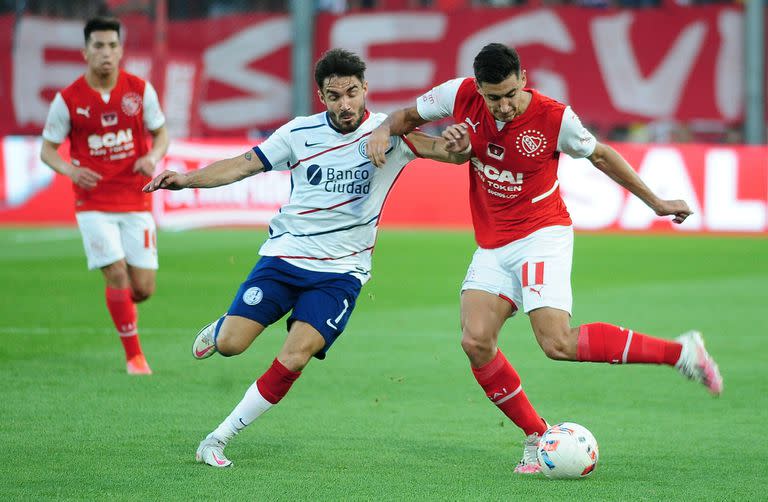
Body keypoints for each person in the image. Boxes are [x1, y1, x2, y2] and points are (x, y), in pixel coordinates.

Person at [366, 43, 723, 474]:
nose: (504, 105)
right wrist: (384, 129)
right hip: (494, 244)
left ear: (524, 79)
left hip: (542, 234)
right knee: (475, 341)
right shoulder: (457, 95)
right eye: (493, 97)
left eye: (511, 93)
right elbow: (405, 119)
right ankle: (537, 437)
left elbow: (603, 156)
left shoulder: (555, 118)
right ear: (478, 88)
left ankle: (681, 353)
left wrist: (657, 203)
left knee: (557, 342)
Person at [143, 48, 470, 468]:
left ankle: (218, 439)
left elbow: (450, 153)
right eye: (335, 96)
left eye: (352, 93)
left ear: (365, 88)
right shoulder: (299, 133)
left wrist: (461, 145)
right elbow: (244, 166)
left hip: (340, 273)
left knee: (294, 355)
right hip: (284, 259)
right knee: (230, 345)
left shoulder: (391, 134)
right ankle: (223, 327)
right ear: (321, 96)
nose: (345, 104)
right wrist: (186, 179)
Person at [40, 17, 168, 375]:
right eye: (98, 46)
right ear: (85, 52)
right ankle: (135, 358)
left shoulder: (140, 91)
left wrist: (152, 157)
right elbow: (47, 150)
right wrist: (69, 170)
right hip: (92, 202)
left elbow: (162, 134)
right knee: (115, 273)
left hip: (136, 198)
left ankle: (124, 295)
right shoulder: (68, 99)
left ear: (121, 50)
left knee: (142, 289)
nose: (106, 53)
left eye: (112, 46)